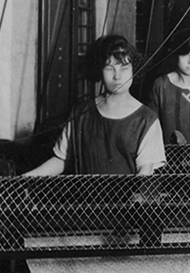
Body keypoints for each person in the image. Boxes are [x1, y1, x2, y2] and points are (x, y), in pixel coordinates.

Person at [27, 34, 165, 176]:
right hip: (83, 198)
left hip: (129, 198)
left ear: (133, 70)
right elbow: (61, 159)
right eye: (109, 68)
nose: (117, 76)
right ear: (99, 70)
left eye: (124, 68)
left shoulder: (146, 120)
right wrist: (26, 178)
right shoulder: (80, 112)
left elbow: (145, 172)